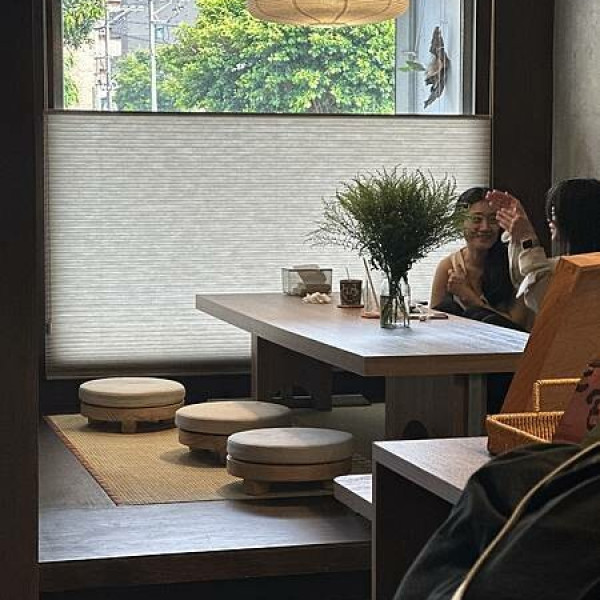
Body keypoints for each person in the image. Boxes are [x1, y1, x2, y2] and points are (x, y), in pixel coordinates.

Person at [488, 177, 600, 313]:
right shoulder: (565, 262)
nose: (549, 220)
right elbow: (524, 281)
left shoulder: (591, 269)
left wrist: (528, 239)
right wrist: (518, 235)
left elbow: (544, 301)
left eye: (554, 213)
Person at [430, 187, 532, 331]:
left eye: (492, 220)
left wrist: (470, 298)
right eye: (476, 219)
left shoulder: (516, 264)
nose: (485, 227)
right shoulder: (448, 267)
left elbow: (517, 326)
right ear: (460, 223)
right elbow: (434, 324)